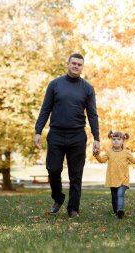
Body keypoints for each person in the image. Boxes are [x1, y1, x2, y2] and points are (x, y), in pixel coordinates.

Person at [34, 53, 100, 218]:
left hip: (77, 135)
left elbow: (92, 115)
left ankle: (73, 209)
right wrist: (38, 131)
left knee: (76, 174)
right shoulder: (55, 85)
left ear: (82, 67)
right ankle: (58, 198)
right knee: (53, 169)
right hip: (56, 134)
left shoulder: (87, 88)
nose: (76, 66)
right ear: (68, 64)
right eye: (74, 63)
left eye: (79, 64)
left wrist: (96, 138)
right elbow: (45, 109)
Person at [93, 131, 135, 219]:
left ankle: (120, 210)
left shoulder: (126, 152)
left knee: (120, 194)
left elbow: (134, 160)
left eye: (118, 139)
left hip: (123, 179)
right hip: (112, 178)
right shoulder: (109, 152)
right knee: (114, 196)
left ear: (123, 140)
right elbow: (102, 160)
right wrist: (96, 155)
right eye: (114, 139)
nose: (116, 141)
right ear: (111, 140)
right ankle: (115, 212)